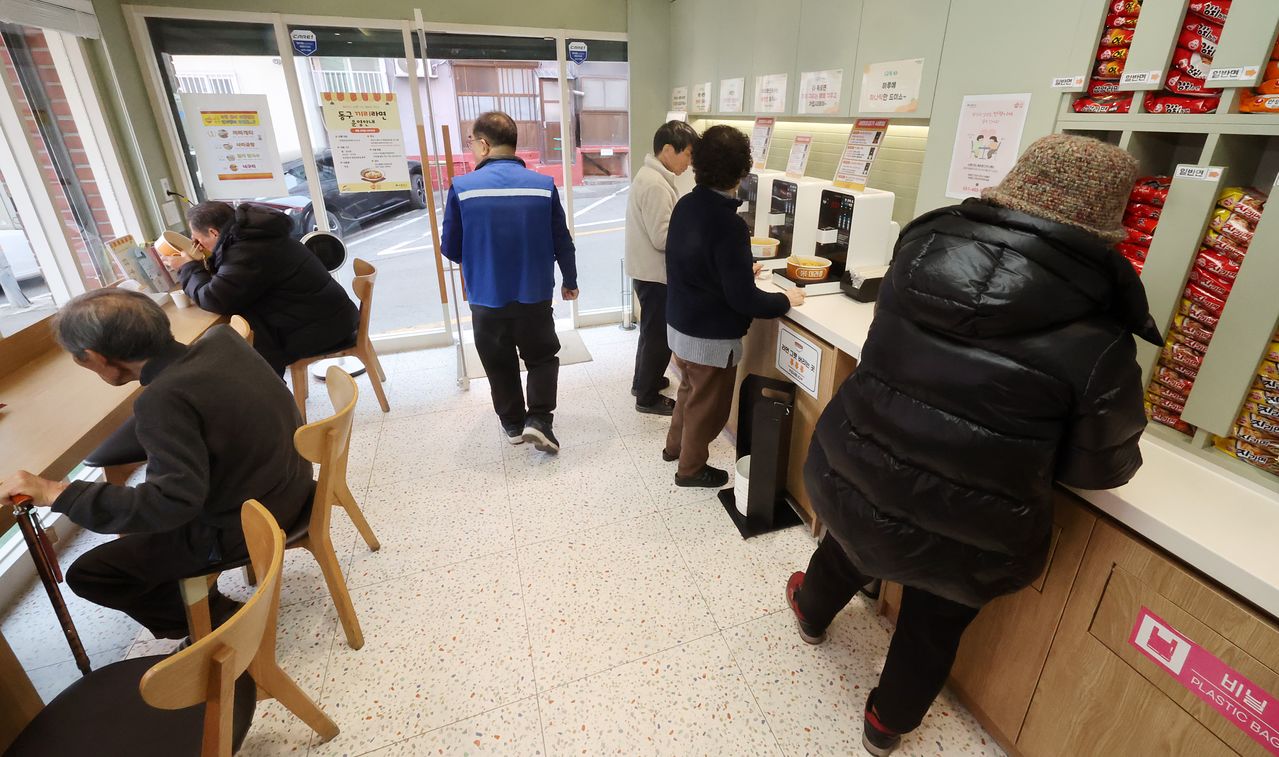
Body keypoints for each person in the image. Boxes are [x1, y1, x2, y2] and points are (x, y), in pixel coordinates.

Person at [784, 135, 1160, 756]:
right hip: (970, 517)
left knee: (855, 535)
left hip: (860, 456)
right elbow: (1100, 464)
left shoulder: (916, 254)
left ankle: (810, 612)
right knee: (936, 612)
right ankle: (886, 723)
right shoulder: (1101, 334)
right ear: (1104, 225)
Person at [0, 289, 313, 640]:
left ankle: (216, 626)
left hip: (251, 523)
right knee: (135, 517)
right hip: (290, 488)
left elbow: (172, 505)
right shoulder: (223, 341)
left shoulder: (162, 400)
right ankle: (201, 604)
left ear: (95, 357)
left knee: (92, 573)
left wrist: (56, 492)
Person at [663, 125, 804, 487]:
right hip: (709, 336)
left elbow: (695, 262)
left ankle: (674, 448)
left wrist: (740, 268)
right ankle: (691, 470)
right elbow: (744, 299)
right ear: (744, 171)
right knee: (707, 408)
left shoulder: (686, 205)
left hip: (679, 324)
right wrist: (784, 299)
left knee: (687, 391)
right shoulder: (728, 223)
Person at [441, 111, 578, 454]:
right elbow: (562, 239)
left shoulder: (462, 188)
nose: (471, 148)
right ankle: (541, 420)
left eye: (471, 142)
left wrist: (481, 255)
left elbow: (451, 249)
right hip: (534, 295)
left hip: (486, 298)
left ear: (484, 144)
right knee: (543, 357)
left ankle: (514, 424)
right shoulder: (543, 186)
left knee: (498, 361)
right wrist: (570, 280)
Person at [166, 201, 359, 377]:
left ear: (214, 233)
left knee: (240, 352)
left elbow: (215, 299)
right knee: (245, 336)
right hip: (328, 316)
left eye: (198, 241)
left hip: (322, 328)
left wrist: (186, 267)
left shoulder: (247, 250)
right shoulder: (253, 234)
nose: (197, 246)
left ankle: (272, 398)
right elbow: (229, 281)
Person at [626, 120, 700, 416]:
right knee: (658, 336)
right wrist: (694, 235)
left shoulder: (650, 176)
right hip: (655, 273)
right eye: (688, 155)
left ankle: (644, 381)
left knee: (650, 332)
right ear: (669, 149)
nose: (689, 163)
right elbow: (661, 237)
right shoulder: (656, 184)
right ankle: (647, 397)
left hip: (645, 271)